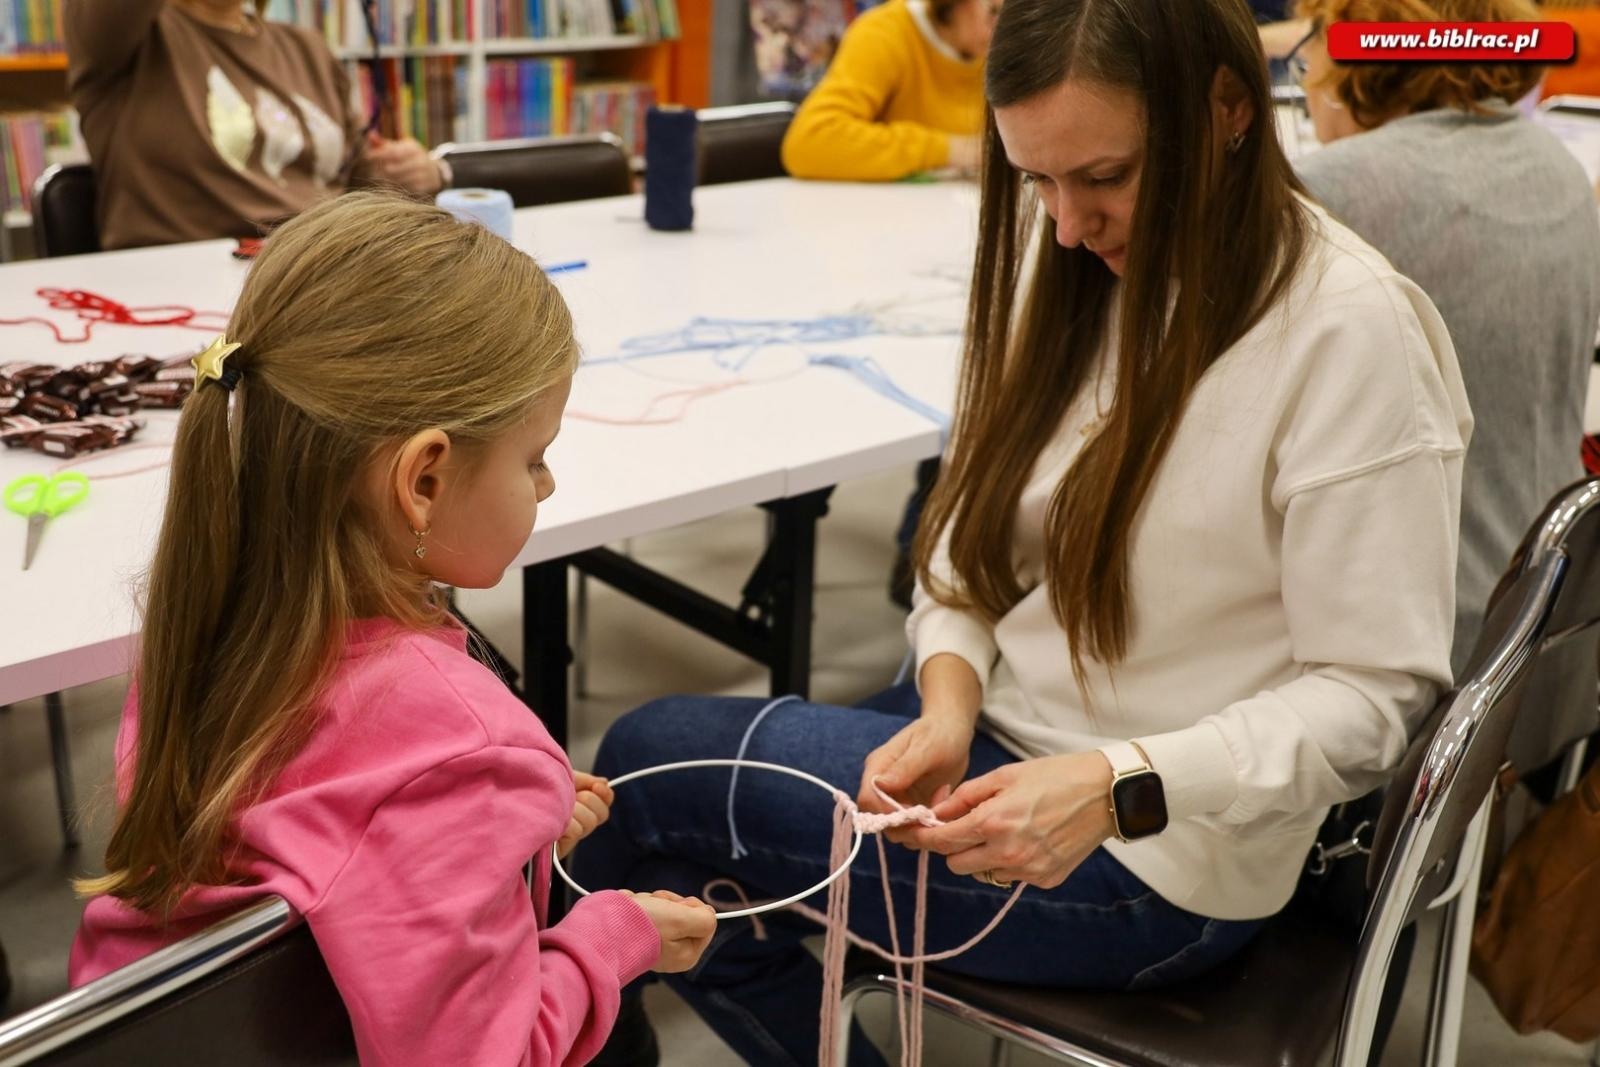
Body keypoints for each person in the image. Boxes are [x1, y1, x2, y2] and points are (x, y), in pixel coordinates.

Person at [577, 0, 1472, 1062]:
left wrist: (1115, 780)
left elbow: (1376, 697)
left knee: (637, 776)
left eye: (1102, 176)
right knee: (694, 847)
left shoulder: (1346, 332)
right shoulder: (1069, 272)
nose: (1062, 223)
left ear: (1229, 109)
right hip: (1016, 738)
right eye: (1033, 179)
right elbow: (964, 542)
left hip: (1160, 856)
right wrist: (949, 691)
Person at [67, 193, 715, 1065]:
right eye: (534, 458)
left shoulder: (207, 616)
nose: (548, 485)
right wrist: (615, 933)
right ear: (423, 480)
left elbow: (319, 838)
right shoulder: (461, 746)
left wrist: (494, 844)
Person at [1289, 0, 1600, 767]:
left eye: (1317, 40)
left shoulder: (1328, 190)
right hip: (1539, 646)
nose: (1305, 62)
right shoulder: (1558, 167)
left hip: (1405, 680)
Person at [63, 0, 448, 250]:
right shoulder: (119, 37)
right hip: (184, 283)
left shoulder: (306, 47)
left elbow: (361, 182)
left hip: (319, 272)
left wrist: (418, 173)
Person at [780, 0, 995, 181]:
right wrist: (950, 150)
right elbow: (810, 142)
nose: (1002, 28)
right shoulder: (884, 34)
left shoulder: (993, 48)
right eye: (993, 11)